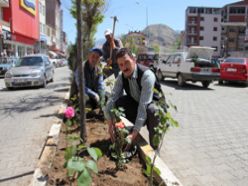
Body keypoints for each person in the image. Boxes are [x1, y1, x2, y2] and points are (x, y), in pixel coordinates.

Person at [104, 48, 167, 149]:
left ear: (134, 59)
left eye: (126, 62)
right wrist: (110, 123)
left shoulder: (147, 75)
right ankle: (121, 135)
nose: (124, 67)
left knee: (152, 110)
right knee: (117, 103)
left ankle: (154, 150)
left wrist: (133, 135)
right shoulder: (122, 76)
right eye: (121, 65)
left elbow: (143, 106)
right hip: (138, 103)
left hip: (155, 108)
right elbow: (113, 97)